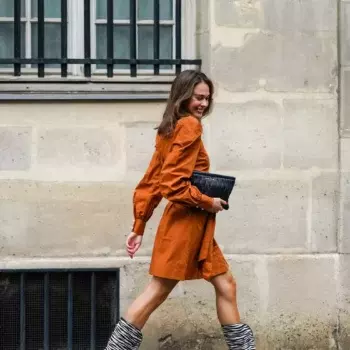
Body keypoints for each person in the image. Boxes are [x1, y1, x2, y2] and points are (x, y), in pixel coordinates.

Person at [105, 70, 256, 350]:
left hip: (195, 226)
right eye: (198, 97)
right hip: (185, 225)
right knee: (157, 292)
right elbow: (171, 184)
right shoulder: (189, 126)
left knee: (226, 285)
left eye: (207, 99)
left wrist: (138, 226)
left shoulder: (169, 128)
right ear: (183, 96)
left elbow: (151, 180)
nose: (203, 104)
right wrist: (208, 202)